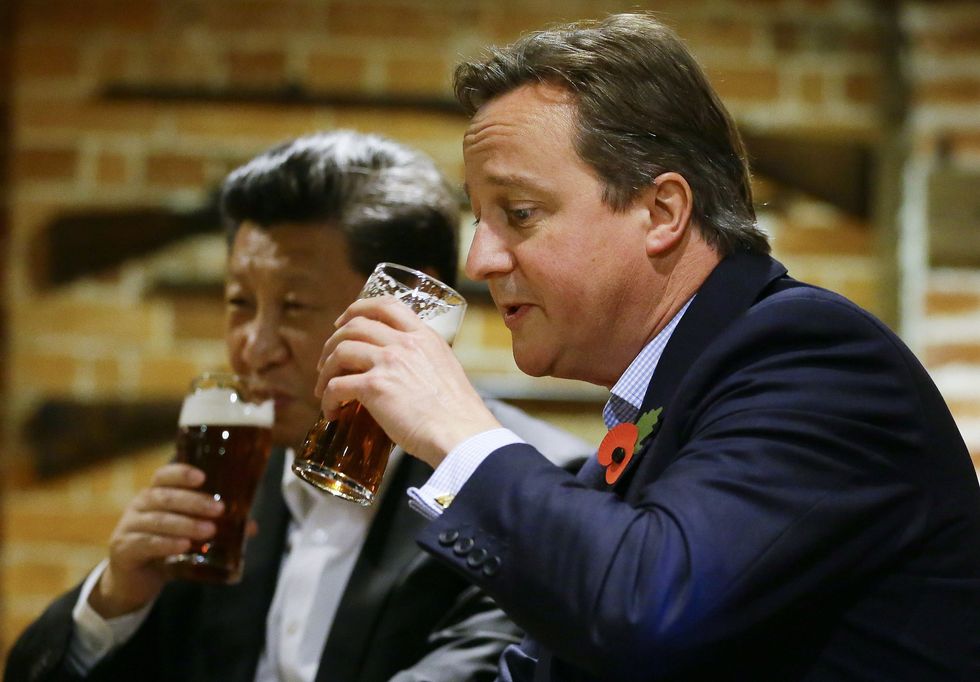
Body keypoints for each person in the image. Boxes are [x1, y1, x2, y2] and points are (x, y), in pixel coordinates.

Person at [308, 13, 980, 681]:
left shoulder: (812, 359)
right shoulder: (660, 403)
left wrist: (460, 434)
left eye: (519, 214)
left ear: (662, 213)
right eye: (478, 219)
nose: (479, 258)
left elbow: (648, 611)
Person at [5, 131, 592, 682]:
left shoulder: (527, 493)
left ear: (410, 306)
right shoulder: (237, 477)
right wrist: (113, 600)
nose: (253, 349)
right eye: (239, 302)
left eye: (292, 306)